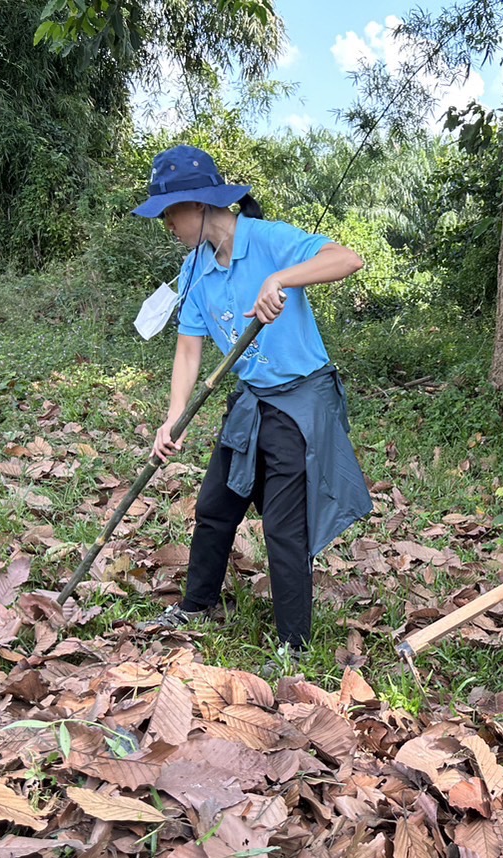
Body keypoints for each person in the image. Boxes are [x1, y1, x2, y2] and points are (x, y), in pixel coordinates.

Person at [131, 144, 373, 653]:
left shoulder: (267, 240)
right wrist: (172, 420)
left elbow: (347, 258)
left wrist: (279, 277)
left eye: (169, 214)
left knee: (283, 527)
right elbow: (188, 351)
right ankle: (197, 604)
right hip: (251, 398)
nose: (168, 226)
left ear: (196, 206)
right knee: (216, 504)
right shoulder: (195, 270)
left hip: (300, 400)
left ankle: (295, 644)